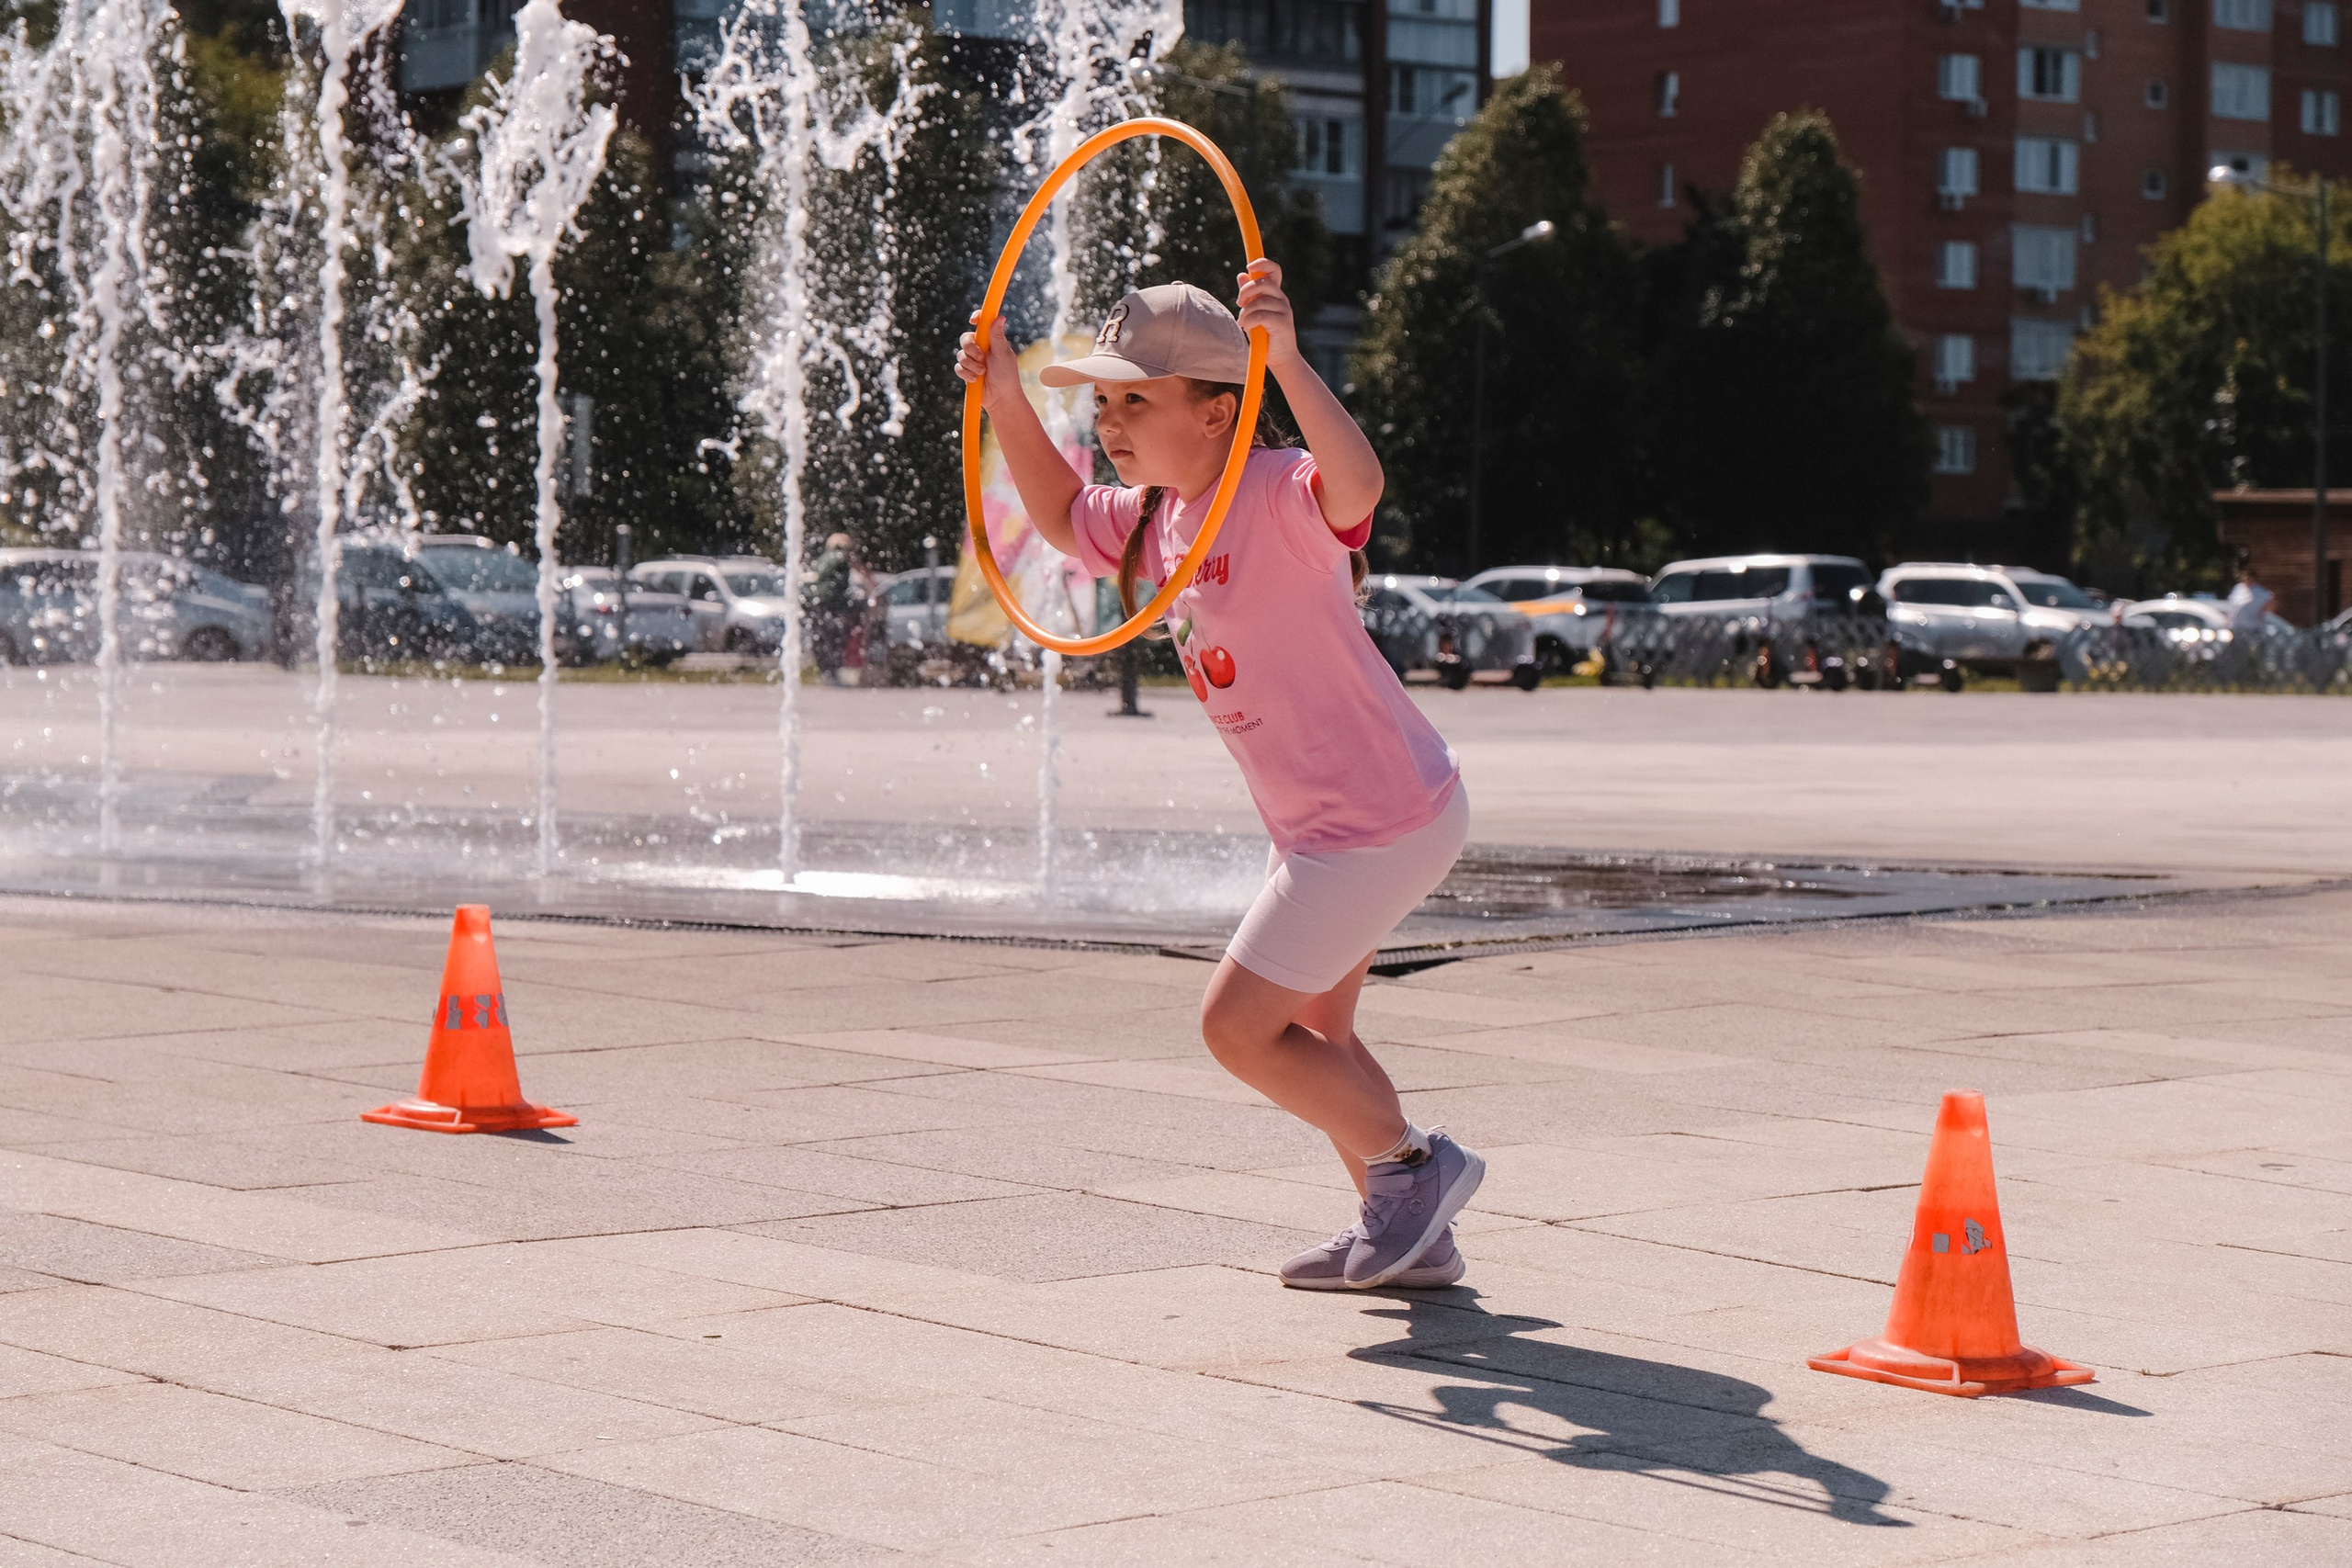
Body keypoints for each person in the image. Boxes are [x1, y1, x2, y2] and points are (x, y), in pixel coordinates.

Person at [956, 267, 1483, 1291]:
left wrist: (1285, 359)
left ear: (1217, 414)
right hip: (1346, 821)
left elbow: (1359, 487)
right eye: (1101, 401)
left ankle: (1414, 1171)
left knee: (1236, 1029)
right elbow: (1064, 519)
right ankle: (1411, 1233)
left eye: (1134, 400)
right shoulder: (1159, 517)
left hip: (1375, 819)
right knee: (1316, 1032)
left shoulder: (1275, 488)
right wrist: (1010, 399)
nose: (1109, 420)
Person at [808, 532, 855, 682]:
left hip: (817, 604)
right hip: (833, 606)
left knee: (821, 639)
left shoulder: (821, 559)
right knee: (834, 640)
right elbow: (842, 585)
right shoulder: (840, 559)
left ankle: (824, 671)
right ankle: (833, 672)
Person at [2226, 563, 2275, 633]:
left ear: (2253, 578)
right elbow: (2231, 606)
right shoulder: (2239, 588)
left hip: (2252, 629)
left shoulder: (2261, 593)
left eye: (2248, 577)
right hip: (2236, 627)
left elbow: (2269, 606)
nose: (2247, 579)